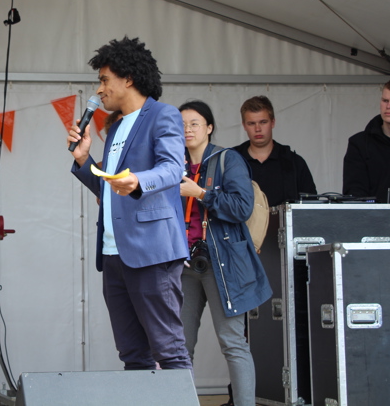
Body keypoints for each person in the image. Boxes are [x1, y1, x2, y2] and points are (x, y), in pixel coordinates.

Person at [67, 36, 192, 371]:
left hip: (152, 251)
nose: (99, 90)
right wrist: (83, 160)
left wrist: (138, 180)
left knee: (169, 351)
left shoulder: (163, 115)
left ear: (129, 79)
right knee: (132, 355)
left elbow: (172, 169)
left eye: (104, 80)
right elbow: (110, 188)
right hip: (114, 254)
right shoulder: (117, 127)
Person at [179, 100, 272, 406]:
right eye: (181, 124)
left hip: (223, 263)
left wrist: (201, 194)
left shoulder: (227, 159)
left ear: (209, 127)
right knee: (179, 347)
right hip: (184, 264)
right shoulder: (174, 162)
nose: (187, 129)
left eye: (194, 123)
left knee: (233, 343)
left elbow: (242, 207)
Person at [233, 96, 316, 206]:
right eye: (251, 123)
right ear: (244, 125)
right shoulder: (231, 161)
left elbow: (311, 207)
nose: (257, 129)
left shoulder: (294, 163)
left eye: (263, 122)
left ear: (273, 122)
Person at [343, 78, 390, 203]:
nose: (389, 106)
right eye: (385, 100)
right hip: (374, 215)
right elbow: (354, 193)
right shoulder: (359, 144)